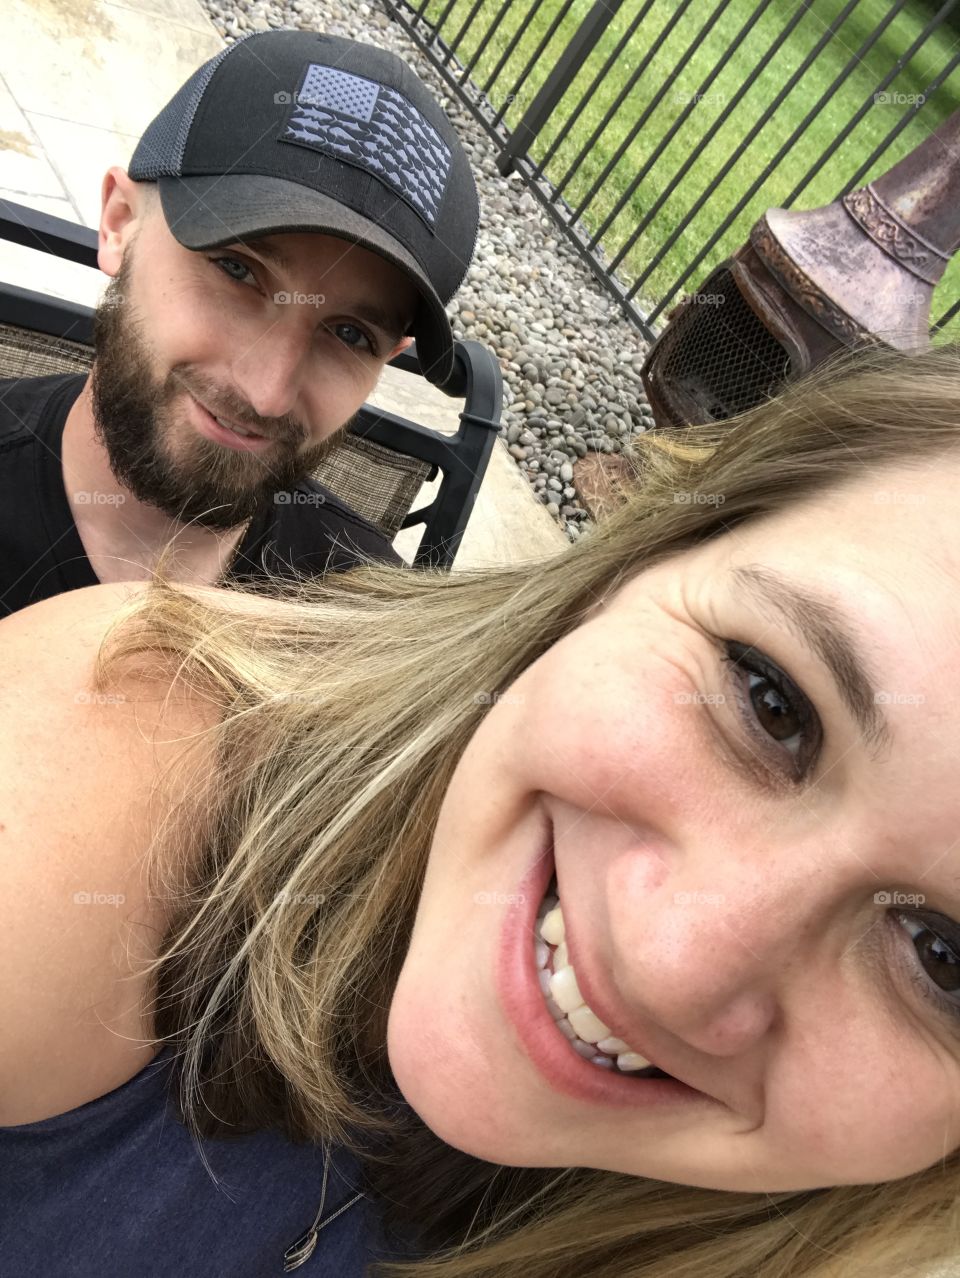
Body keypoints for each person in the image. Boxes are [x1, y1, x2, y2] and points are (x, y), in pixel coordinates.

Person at [3, 340, 960, 1278]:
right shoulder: (105, 765)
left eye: (945, 957)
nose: (671, 966)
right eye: (770, 701)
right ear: (631, 564)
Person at [0, 28, 480, 620]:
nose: (268, 392)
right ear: (120, 224)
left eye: (351, 334)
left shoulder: (364, 630)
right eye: (238, 270)